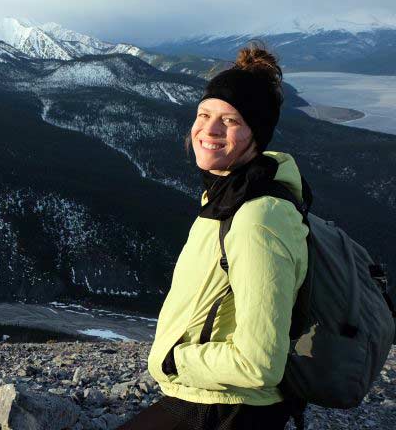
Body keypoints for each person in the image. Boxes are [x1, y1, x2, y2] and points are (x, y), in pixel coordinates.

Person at [119, 43, 309, 429]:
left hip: (229, 409)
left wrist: (174, 358)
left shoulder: (258, 218)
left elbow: (259, 364)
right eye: (204, 114)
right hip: (208, 397)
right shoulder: (227, 198)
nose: (208, 130)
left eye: (231, 120)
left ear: (257, 134)